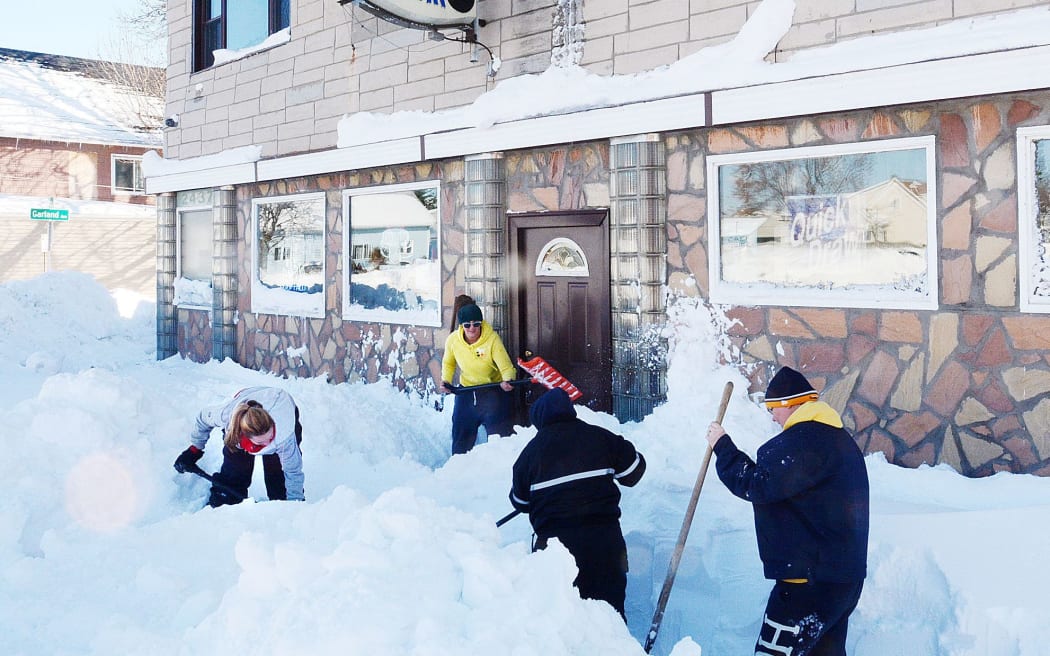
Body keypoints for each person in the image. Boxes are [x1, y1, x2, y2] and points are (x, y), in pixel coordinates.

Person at [705, 366, 869, 656]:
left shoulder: (801, 443)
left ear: (789, 404)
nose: (772, 416)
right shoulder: (840, 442)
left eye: (773, 408)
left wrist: (722, 446)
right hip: (844, 582)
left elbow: (756, 484)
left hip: (806, 585)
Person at [509, 388, 646, 619]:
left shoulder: (529, 455)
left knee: (564, 620)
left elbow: (520, 502)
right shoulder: (601, 438)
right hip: (605, 545)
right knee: (610, 616)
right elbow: (634, 472)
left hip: (555, 551)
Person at [173, 386, 305, 507]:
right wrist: (194, 450)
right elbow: (203, 419)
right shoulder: (226, 415)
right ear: (245, 435)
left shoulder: (283, 436)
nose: (268, 444)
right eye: (261, 442)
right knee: (236, 468)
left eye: (270, 438)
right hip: (247, 406)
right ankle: (225, 499)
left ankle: (280, 501)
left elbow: (293, 471)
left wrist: (294, 504)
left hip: (282, 404)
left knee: (278, 478)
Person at [438, 300, 517, 454]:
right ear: (461, 326)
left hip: (492, 391)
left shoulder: (492, 339)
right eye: (467, 325)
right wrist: (445, 381)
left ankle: (500, 469)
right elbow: (448, 363)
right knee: (461, 435)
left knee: (499, 437)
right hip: (467, 391)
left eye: (476, 324)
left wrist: (508, 380)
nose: (472, 328)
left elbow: (506, 367)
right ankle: (457, 468)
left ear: (481, 323)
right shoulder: (453, 340)